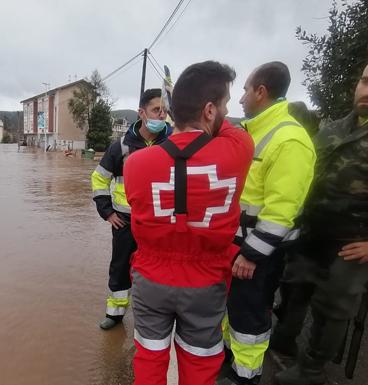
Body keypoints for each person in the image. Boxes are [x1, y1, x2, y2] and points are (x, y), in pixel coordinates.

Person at [125, 61, 253, 385]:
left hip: (151, 278)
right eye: (223, 104)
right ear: (210, 110)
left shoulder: (135, 163)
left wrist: (178, 112)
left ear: (171, 111)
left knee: (150, 359)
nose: (227, 110)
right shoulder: (238, 151)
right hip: (206, 281)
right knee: (200, 363)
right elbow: (228, 129)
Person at [270, 63, 368, 385]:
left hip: (351, 243)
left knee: (333, 308)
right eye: (365, 82)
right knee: (295, 288)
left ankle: (312, 372)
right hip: (311, 232)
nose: (366, 92)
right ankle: (282, 345)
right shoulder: (333, 128)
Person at [219, 62, 316, 385]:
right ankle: (232, 361)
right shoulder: (253, 131)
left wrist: (251, 253)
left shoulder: (289, 140)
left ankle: (246, 376)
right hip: (239, 245)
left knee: (250, 314)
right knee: (235, 309)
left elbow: (281, 210)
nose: (241, 99)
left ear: (261, 92)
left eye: (245, 90)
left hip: (259, 251)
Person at [91, 88, 172, 330]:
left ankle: (152, 318)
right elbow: (99, 179)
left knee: (158, 271)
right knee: (121, 267)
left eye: (164, 111)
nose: (161, 115)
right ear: (142, 113)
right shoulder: (121, 147)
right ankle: (115, 314)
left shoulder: (173, 145)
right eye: (156, 110)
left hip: (159, 223)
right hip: (125, 222)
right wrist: (108, 212)